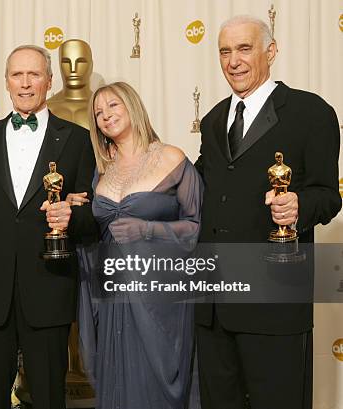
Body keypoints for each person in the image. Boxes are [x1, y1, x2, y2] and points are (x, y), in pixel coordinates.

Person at [194, 15, 341, 409]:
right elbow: (197, 186)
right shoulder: (212, 119)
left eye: (244, 49)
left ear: (270, 51)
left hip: (273, 300)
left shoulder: (311, 113)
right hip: (213, 302)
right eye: (225, 51)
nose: (233, 61)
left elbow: (329, 195)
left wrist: (300, 205)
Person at [0, 45, 96, 409]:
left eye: (34, 75)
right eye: (17, 75)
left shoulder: (78, 140)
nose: (26, 83)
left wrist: (71, 217)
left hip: (48, 286)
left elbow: (90, 215)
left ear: (49, 81)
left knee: (48, 397)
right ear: (6, 82)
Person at [68, 81, 203, 408]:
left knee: (157, 384)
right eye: (98, 112)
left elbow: (195, 228)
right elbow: (94, 233)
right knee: (117, 383)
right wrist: (77, 210)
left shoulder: (172, 157)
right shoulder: (101, 170)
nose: (105, 116)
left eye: (112, 106)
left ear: (132, 105)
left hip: (158, 294)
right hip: (112, 295)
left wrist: (147, 229)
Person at [46, 39, 93, 129]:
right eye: (66, 62)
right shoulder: (47, 108)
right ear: (59, 64)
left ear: (91, 65)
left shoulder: (100, 107)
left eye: (80, 61)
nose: (73, 69)